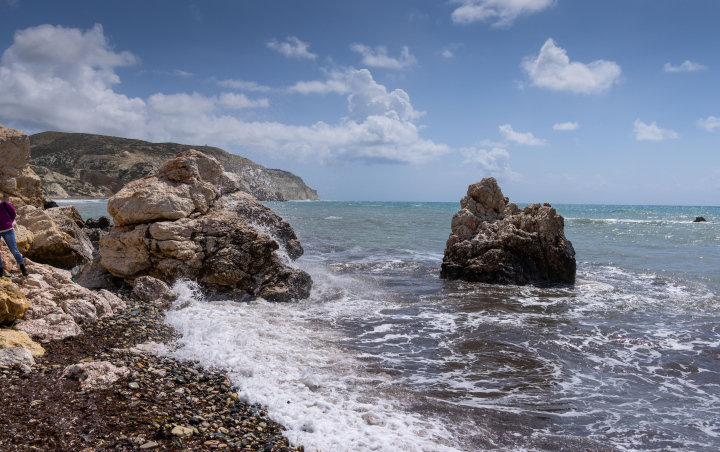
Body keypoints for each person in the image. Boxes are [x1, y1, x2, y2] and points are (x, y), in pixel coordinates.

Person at [0, 194, 28, 277]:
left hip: (8, 230)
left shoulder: (5, 204)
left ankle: (22, 266)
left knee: (14, 250)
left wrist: (8, 223)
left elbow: (13, 214)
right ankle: (0, 271)